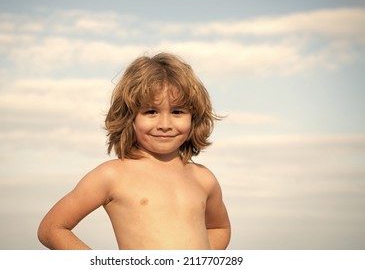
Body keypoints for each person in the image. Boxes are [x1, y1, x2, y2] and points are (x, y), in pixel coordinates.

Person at [37, 52, 231, 250]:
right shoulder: (111, 175)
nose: (165, 124)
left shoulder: (203, 178)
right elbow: (52, 228)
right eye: (151, 112)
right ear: (129, 117)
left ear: (194, 117)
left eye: (177, 112)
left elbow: (218, 227)